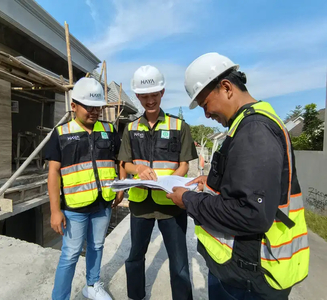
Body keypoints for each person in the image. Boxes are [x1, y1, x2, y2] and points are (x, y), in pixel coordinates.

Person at [166, 53, 309, 300]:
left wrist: (188, 200)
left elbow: (251, 212)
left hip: (250, 277)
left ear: (226, 87)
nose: (207, 114)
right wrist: (212, 183)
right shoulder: (245, 124)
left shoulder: (254, 130)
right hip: (244, 271)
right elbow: (247, 187)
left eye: (205, 104)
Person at [118, 65, 197, 300]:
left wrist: (171, 182)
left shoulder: (178, 126)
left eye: (154, 95)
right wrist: (138, 168)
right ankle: (136, 295)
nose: (149, 100)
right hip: (141, 203)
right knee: (135, 255)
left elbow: (184, 164)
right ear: (138, 97)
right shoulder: (131, 128)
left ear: (162, 93)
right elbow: (125, 164)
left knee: (179, 260)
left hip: (171, 203)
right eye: (144, 96)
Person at [46, 77, 124, 300]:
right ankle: (60, 297)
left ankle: (92, 285)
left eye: (97, 107)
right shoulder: (61, 134)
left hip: (103, 204)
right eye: (88, 106)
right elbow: (53, 173)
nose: (94, 111)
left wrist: (120, 186)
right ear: (74, 106)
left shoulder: (109, 130)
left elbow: (120, 160)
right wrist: (54, 210)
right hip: (74, 207)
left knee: (97, 246)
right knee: (70, 254)